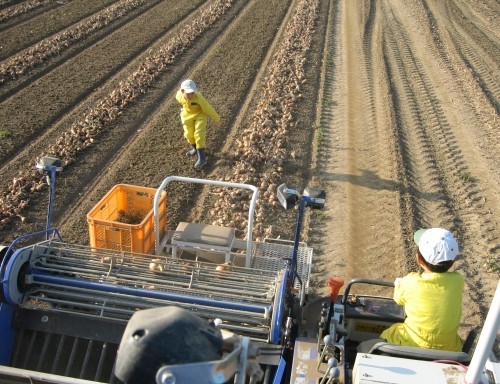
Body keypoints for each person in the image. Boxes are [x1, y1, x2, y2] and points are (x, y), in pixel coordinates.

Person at [358, 227, 464, 353]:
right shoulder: (458, 281)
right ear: (453, 261)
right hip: (448, 349)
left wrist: (399, 283)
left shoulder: (411, 282)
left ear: (418, 259)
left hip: (411, 344)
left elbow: (398, 299)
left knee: (363, 347)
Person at [176, 79, 221, 168]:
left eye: (192, 93)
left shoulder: (198, 98)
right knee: (188, 134)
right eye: (188, 93)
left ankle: (202, 158)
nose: (191, 95)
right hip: (187, 115)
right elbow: (181, 102)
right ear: (182, 91)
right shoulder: (178, 96)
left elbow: (208, 108)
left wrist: (216, 119)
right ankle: (195, 149)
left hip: (200, 114)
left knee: (199, 134)